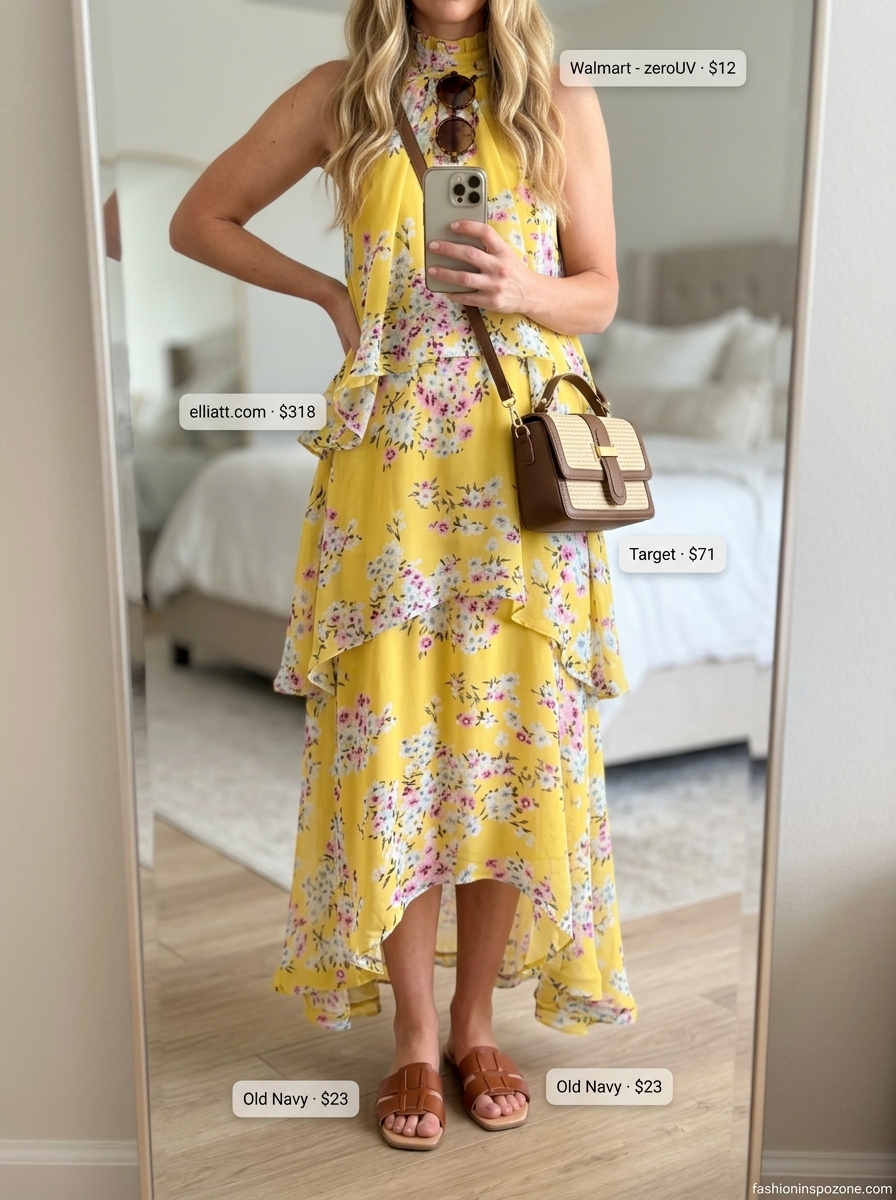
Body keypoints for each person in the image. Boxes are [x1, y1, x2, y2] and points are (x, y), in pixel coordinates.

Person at [170, 0, 636, 1151]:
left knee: (504, 743)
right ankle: (414, 1040)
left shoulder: (558, 97)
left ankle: (477, 1026)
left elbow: (599, 291)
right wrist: (334, 297)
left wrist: (521, 290)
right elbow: (197, 219)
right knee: (397, 748)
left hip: (522, 469)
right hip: (390, 473)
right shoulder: (344, 94)